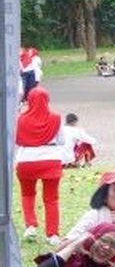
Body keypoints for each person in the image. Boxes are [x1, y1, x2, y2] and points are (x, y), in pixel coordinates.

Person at [16, 86, 66, 243]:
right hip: (50, 160)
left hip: (26, 160)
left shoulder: (20, 119)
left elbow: (16, 139)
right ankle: (52, 234)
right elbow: (62, 141)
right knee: (51, 199)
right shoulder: (56, 118)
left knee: (27, 194)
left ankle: (30, 226)